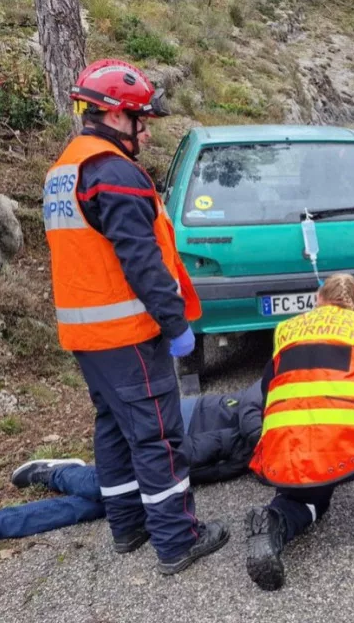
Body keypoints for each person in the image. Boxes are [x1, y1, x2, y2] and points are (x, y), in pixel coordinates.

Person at [41, 58, 226, 576]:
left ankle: (128, 526)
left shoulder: (66, 169)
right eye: (139, 118)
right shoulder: (115, 173)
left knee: (115, 429)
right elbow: (142, 261)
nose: (145, 129)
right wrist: (175, 325)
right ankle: (176, 539)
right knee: (157, 436)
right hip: (125, 335)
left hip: (87, 335)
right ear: (114, 116)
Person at [0, 383, 264, 567]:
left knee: (93, 508)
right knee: (107, 488)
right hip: (176, 427)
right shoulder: (293, 374)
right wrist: (267, 439)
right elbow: (251, 403)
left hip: (177, 468)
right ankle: (58, 473)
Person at [244, 274, 354, 592]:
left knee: (312, 500)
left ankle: (274, 522)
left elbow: (266, 387)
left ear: (318, 299)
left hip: (286, 449)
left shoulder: (286, 331)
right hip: (346, 447)